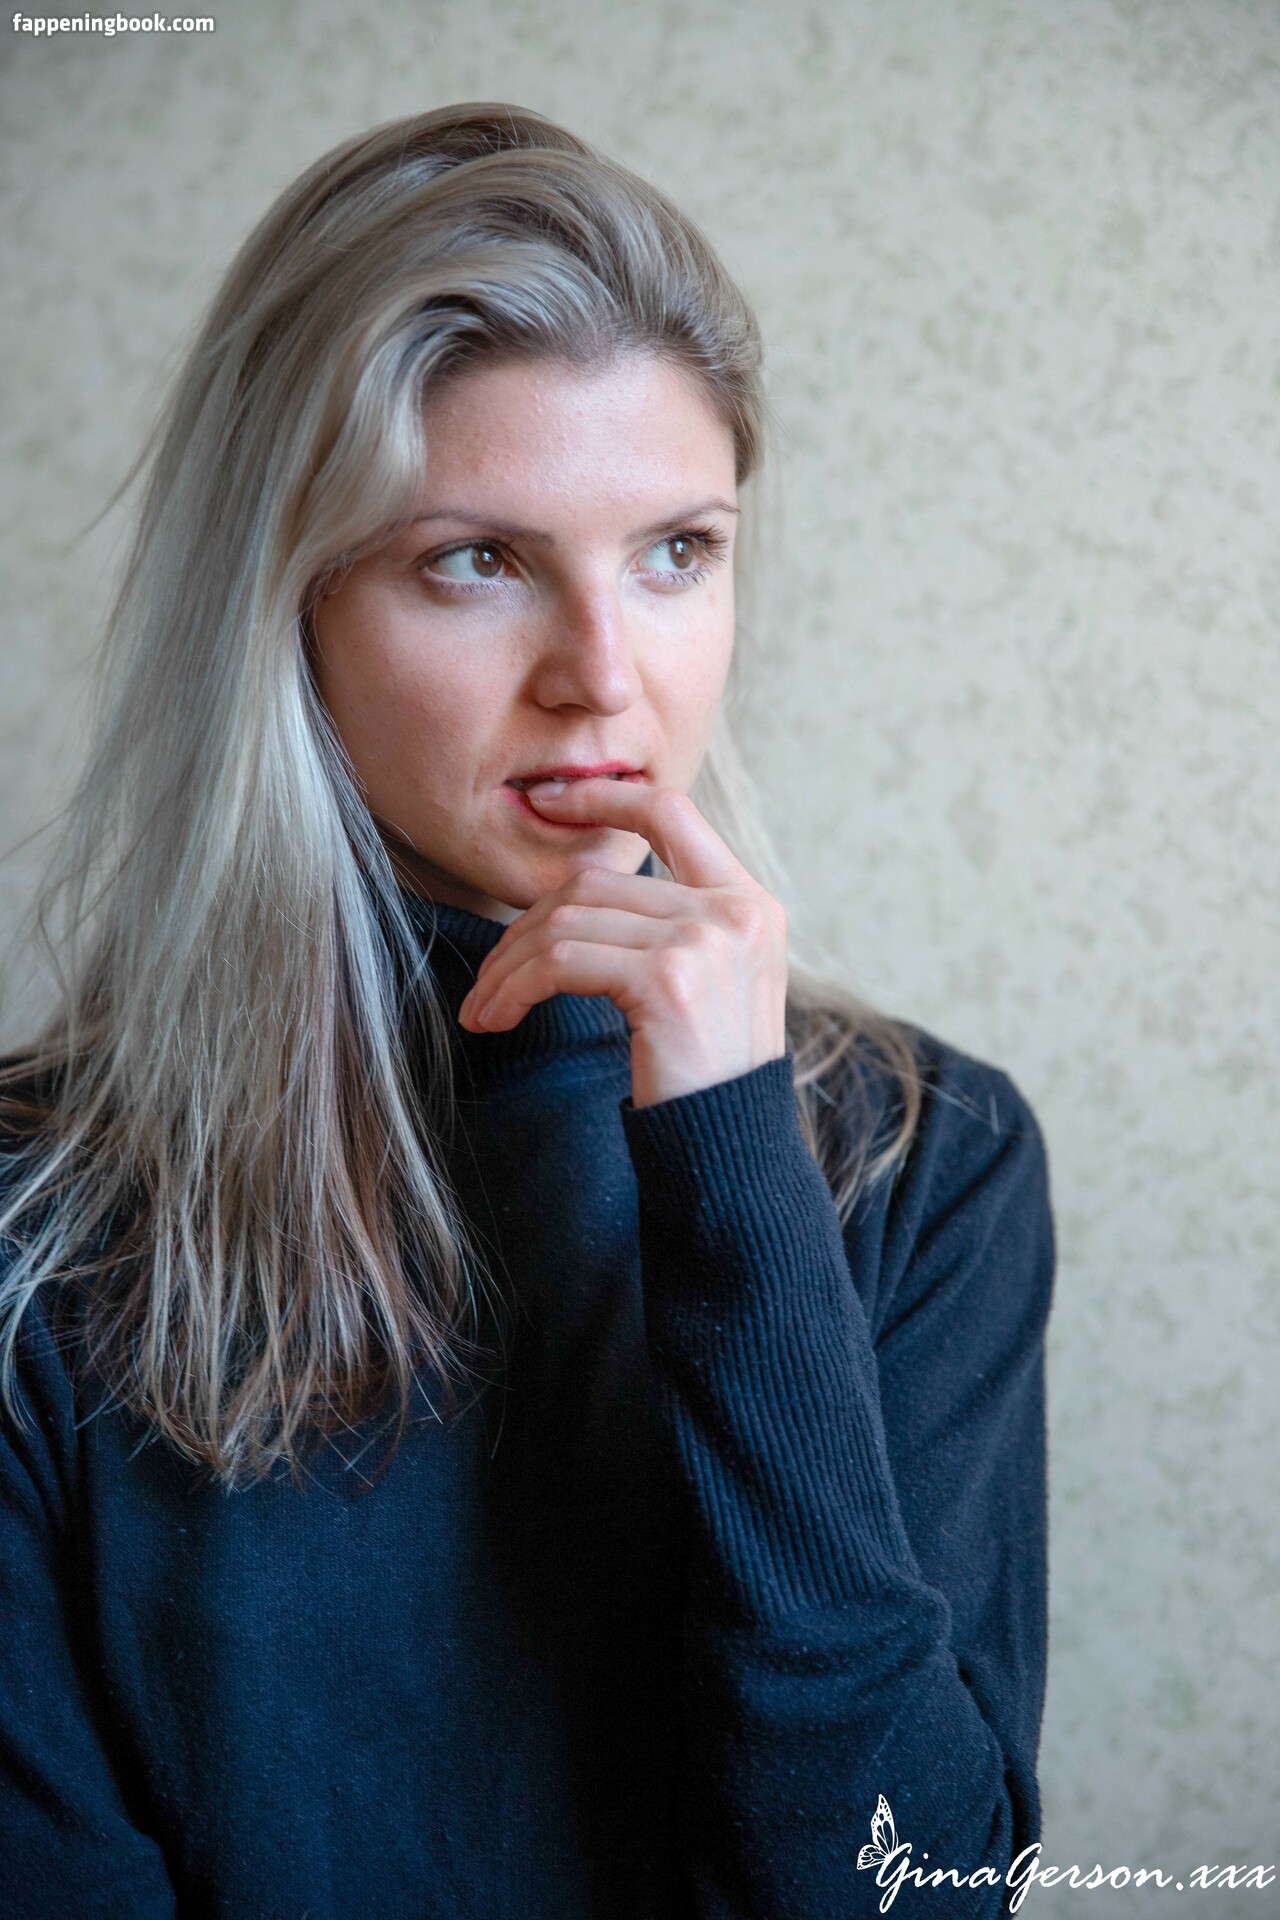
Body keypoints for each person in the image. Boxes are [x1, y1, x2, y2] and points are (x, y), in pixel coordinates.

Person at [0, 103, 1055, 1920]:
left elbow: (916, 1892)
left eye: (675, 552)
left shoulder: (923, 1162)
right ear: (286, 603)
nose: (603, 677)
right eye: (476, 560)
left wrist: (737, 1175)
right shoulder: (37, 1219)